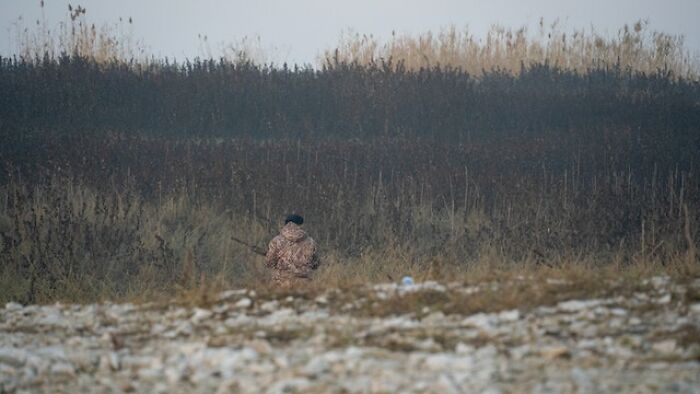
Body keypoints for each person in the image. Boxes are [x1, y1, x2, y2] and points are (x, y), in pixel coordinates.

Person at [265, 214, 320, 287]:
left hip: (281, 282)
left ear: (286, 224)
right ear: (300, 225)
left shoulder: (276, 240)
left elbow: (269, 262)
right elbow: (316, 264)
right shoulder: (310, 241)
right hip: (303, 283)